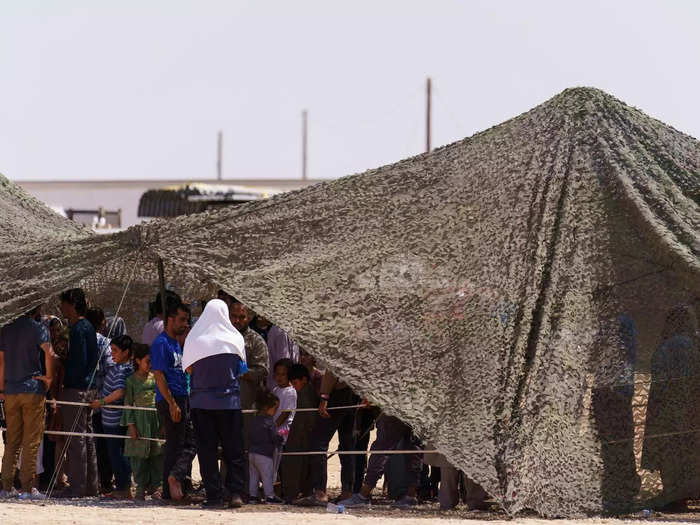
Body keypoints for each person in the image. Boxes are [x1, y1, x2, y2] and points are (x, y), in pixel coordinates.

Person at [183, 298, 246, 509]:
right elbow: (242, 369)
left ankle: (214, 496)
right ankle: (236, 493)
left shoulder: (195, 337)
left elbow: (188, 368)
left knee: (207, 451)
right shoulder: (234, 337)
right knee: (234, 450)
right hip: (230, 403)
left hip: (202, 404)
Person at [0, 304, 55, 500]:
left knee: (12, 440)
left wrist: (1, 389)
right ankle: (27, 488)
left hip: (10, 390)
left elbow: (2, 361)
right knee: (31, 441)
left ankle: (6, 487)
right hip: (32, 389)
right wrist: (49, 377)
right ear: (36, 309)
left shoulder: (6, 329)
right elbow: (49, 353)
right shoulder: (38, 328)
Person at [150, 299, 196, 501]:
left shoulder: (176, 342)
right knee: (177, 445)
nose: (185, 324)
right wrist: (172, 404)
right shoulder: (161, 343)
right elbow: (159, 375)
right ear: (170, 320)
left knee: (185, 443)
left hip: (181, 396)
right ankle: (171, 487)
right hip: (171, 397)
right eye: (182, 320)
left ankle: (176, 483)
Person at [56, 288, 100, 498]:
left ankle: (77, 488)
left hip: (77, 389)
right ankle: (91, 485)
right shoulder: (88, 327)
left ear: (72, 305)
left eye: (64, 304)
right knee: (87, 438)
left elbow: (79, 361)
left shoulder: (78, 329)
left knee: (76, 440)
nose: (62, 308)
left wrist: (62, 365)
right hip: (88, 388)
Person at [296, 370, 357, 506]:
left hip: (337, 394)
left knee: (318, 442)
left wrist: (324, 397)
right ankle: (348, 491)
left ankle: (319, 493)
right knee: (347, 445)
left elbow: (333, 370)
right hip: (352, 392)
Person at [339, 414, 423, 509]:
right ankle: (411, 495)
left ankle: (363, 495)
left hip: (397, 407)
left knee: (382, 450)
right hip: (419, 408)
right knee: (414, 450)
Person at [90, 334, 133, 498]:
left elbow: (120, 391)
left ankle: (123, 487)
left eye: (115, 350)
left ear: (126, 352)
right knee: (114, 453)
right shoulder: (116, 367)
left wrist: (101, 403)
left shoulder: (124, 370)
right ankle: (122, 486)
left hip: (115, 420)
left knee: (118, 454)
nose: (112, 353)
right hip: (108, 420)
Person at [122, 343, 163, 501]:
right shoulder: (131, 381)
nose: (150, 365)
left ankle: (156, 486)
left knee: (156, 454)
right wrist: (131, 426)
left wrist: (163, 424)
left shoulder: (155, 378)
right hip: (139, 422)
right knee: (138, 457)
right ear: (138, 361)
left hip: (154, 421)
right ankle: (140, 487)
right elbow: (128, 403)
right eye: (147, 361)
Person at [85, 307, 115, 494]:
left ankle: (91, 479)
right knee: (103, 442)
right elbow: (110, 368)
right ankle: (104, 481)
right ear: (103, 323)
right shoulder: (105, 342)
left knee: (88, 440)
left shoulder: (81, 339)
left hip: (83, 394)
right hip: (103, 397)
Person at [280, 363, 318, 502]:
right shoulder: (302, 392)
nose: (294, 386)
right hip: (301, 434)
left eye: (295, 383)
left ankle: (292, 495)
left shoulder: (306, 393)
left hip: (302, 435)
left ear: (304, 379)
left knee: (294, 464)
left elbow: (308, 418)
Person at [248, 390, 284, 503]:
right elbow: (273, 437)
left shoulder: (254, 420)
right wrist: (280, 439)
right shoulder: (270, 422)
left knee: (253, 476)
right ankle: (270, 496)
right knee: (267, 476)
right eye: (275, 409)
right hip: (264, 455)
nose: (275, 412)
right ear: (266, 408)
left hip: (252, 453)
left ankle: (252, 496)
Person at [252, 316, 300, 391]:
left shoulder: (284, 330)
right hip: (281, 384)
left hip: (284, 383)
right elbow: (283, 363)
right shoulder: (279, 332)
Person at [271, 358, 296, 480]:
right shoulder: (276, 390)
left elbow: (286, 414)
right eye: (277, 374)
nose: (279, 377)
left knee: (275, 462)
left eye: (283, 374)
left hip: (283, 430)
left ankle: (273, 490)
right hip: (273, 428)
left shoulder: (290, 392)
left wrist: (273, 427)